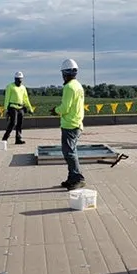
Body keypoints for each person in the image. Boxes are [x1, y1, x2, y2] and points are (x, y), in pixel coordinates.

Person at [51, 58, 85, 189]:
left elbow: (65, 108)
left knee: (69, 153)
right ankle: (72, 178)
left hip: (70, 124)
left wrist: (56, 111)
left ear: (65, 73)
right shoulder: (78, 85)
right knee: (71, 152)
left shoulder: (69, 87)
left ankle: (77, 178)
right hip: (76, 123)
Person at [2, 71, 35, 145]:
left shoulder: (23, 88)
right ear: (15, 79)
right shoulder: (10, 86)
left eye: (20, 79)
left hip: (21, 107)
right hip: (12, 107)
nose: (19, 81)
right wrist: (5, 109)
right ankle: (5, 138)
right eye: (18, 79)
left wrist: (30, 108)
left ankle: (18, 139)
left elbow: (26, 99)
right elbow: (7, 98)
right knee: (13, 122)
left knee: (19, 124)